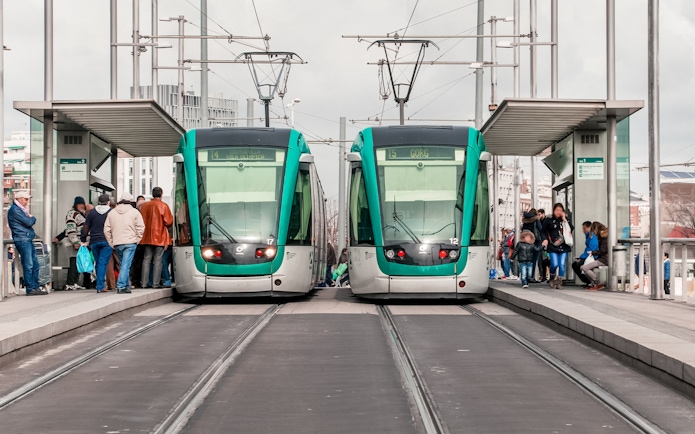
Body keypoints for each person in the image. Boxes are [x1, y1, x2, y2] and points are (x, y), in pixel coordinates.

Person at [105, 192, 145, 294]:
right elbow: (141, 227)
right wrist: (137, 239)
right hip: (130, 241)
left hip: (118, 242)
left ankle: (126, 285)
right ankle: (121, 286)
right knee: (126, 265)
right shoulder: (134, 212)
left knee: (123, 264)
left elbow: (106, 230)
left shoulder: (112, 212)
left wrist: (111, 242)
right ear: (130, 201)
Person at [8, 191, 46, 296]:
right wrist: (32, 217)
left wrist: (29, 217)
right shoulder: (15, 210)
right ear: (20, 199)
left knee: (35, 264)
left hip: (26, 239)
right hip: (23, 239)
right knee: (29, 264)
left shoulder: (19, 210)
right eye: (26, 199)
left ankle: (35, 286)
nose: (27, 202)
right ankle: (30, 287)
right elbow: (28, 222)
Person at [139, 187, 174, 289]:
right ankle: (155, 283)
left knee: (146, 260)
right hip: (159, 236)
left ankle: (144, 283)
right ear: (161, 194)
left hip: (146, 236)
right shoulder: (163, 205)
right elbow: (168, 221)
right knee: (158, 260)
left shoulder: (145, 206)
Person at [81, 194, 113, 293]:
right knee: (103, 263)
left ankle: (100, 284)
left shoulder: (92, 212)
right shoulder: (111, 212)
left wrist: (83, 238)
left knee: (98, 263)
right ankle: (100, 286)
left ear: (98, 202)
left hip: (94, 241)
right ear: (108, 202)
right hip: (106, 241)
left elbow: (86, 226)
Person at [541, 203, 574, 289]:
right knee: (555, 264)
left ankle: (559, 281)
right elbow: (543, 231)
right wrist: (545, 240)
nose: (558, 212)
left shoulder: (565, 220)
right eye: (557, 210)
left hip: (564, 246)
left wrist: (564, 219)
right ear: (553, 210)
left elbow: (571, 228)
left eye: (560, 210)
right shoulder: (548, 220)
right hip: (553, 246)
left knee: (562, 264)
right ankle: (552, 277)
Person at [65, 196, 91, 290]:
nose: (81, 206)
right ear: (75, 205)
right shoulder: (72, 214)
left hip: (82, 243)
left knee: (78, 262)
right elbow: (70, 228)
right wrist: (75, 241)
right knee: (74, 262)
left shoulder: (81, 215)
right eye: (79, 204)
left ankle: (74, 282)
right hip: (75, 242)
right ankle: (70, 283)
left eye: (82, 204)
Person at [580, 222, 609, 291]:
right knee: (583, 267)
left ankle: (598, 283)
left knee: (585, 268)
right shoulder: (603, 236)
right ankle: (594, 284)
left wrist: (593, 253)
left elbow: (603, 251)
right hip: (603, 258)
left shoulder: (604, 238)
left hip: (604, 259)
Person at [572, 221, 599, 288]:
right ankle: (588, 281)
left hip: (593, 256)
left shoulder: (592, 236)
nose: (583, 230)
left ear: (589, 227)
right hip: (590, 255)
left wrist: (582, 258)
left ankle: (589, 281)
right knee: (576, 265)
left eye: (584, 228)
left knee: (576, 265)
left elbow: (591, 249)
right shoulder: (589, 236)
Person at [521, 209, 543, 282]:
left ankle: (525, 276)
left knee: (526, 258)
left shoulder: (525, 220)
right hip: (535, 240)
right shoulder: (536, 219)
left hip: (526, 240)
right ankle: (531, 276)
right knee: (533, 259)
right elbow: (540, 228)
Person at [536, 209, 548, 281]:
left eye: (540, 214)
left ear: (543, 214)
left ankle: (545, 275)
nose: (539, 216)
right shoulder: (539, 222)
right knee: (541, 260)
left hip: (546, 242)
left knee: (546, 260)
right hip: (541, 242)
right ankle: (542, 275)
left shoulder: (546, 221)